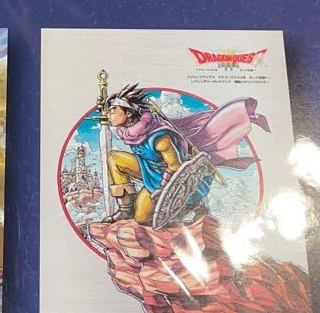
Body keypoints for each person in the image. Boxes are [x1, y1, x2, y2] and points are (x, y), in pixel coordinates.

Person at [102, 84, 269, 226]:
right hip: (148, 167)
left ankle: (186, 214)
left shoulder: (159, 138)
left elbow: (175, 167)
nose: (109, 115)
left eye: (113, 110)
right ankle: (125, 210)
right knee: (114, 158)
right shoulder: (130, 131)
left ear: (129, 113)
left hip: (164, 179)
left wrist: (162, 193)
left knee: (141, 218)